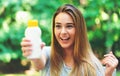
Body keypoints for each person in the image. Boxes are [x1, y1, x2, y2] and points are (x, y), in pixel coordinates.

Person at [21, 4, 118, 76]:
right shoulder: (48, 54)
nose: (63, 32)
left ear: (79, 30)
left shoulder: (93, 66)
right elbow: (38, 64)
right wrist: (34, 54)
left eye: (69, 26)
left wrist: (108, 74)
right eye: (58, 26)